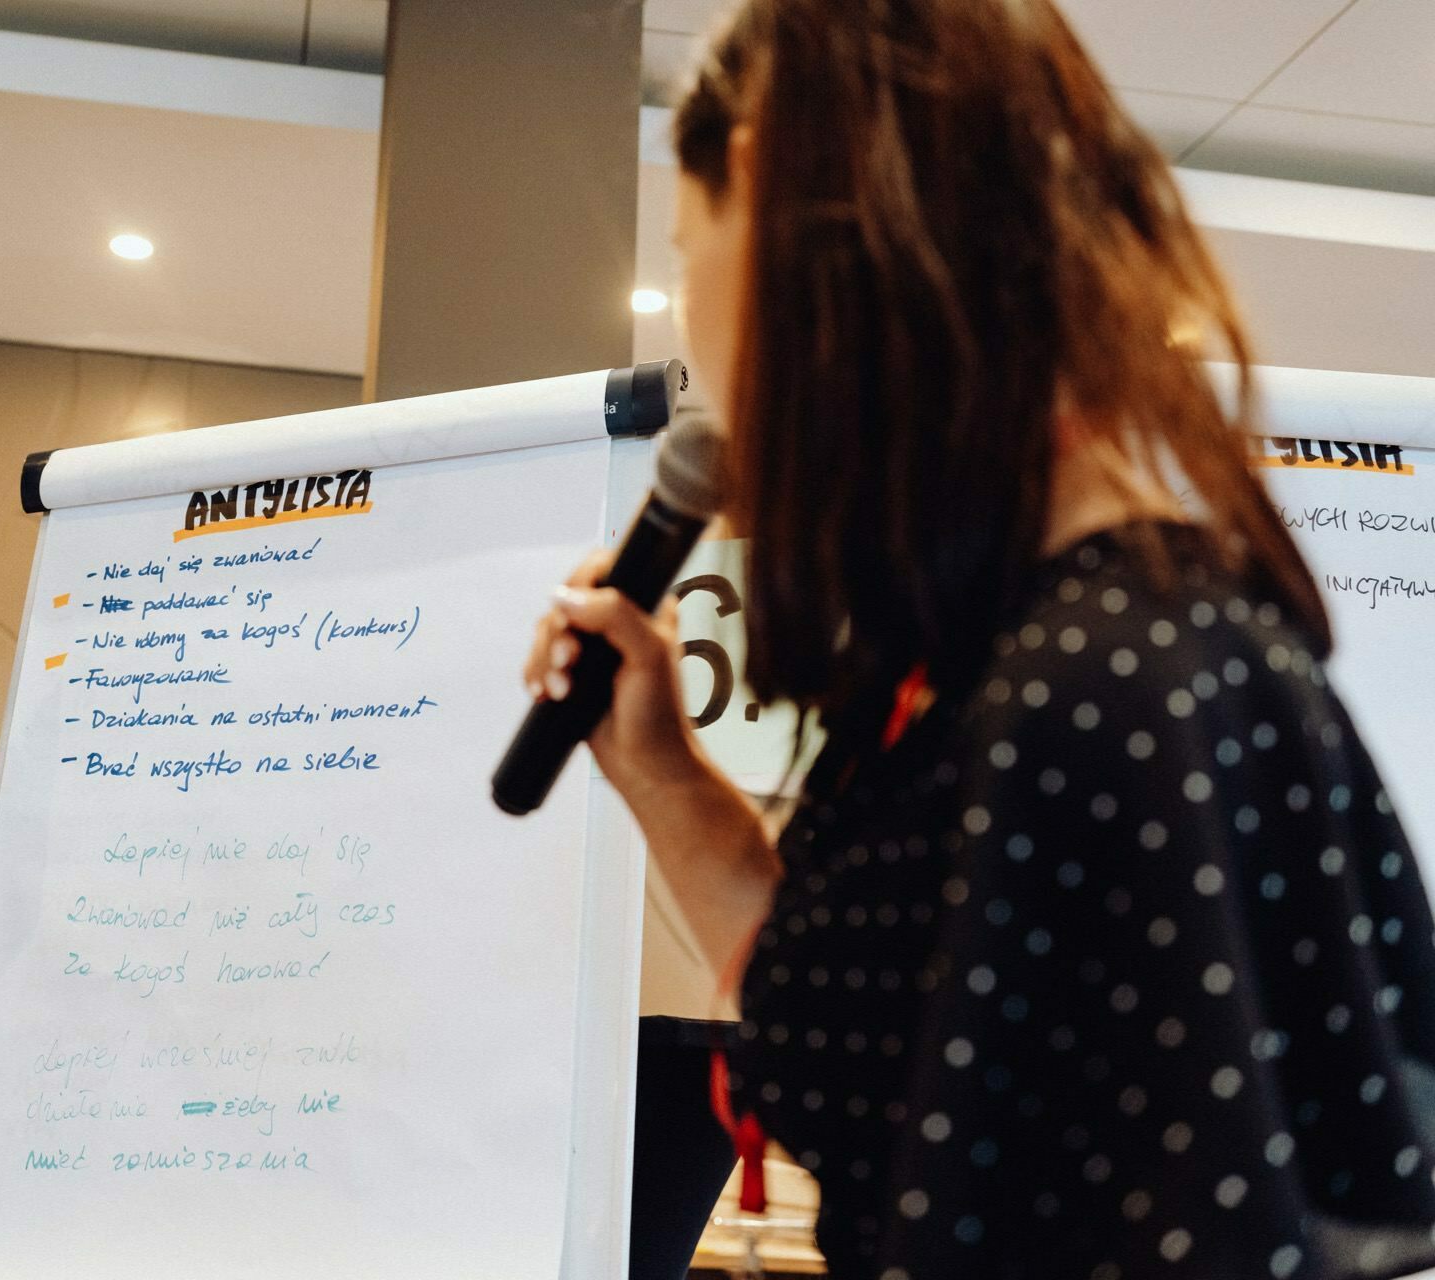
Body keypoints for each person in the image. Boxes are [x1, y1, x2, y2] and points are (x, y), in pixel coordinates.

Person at [523, 1, 1435, 1276]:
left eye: (691, 252)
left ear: (813, 245)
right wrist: (665, 773)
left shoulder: (1115, 683)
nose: (699, 342)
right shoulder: (1011, 651)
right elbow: (857, 1037)